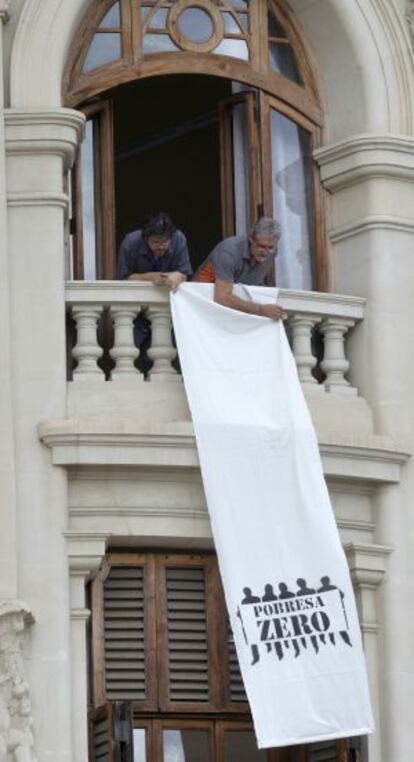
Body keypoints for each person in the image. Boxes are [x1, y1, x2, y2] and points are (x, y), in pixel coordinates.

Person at [117, 212, 192, 372]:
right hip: (134, 310)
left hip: (165, 310)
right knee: (130, 351)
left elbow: (185, 273)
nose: (160, 246)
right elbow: (123, 279)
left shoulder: (179, 239)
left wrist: (177, 276)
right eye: (155, 242)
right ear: (145, 238)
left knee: (162, 352)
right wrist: (149, 277)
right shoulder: (131, 242)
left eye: (164, 242)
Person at [193, 217, 286, 320]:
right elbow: (222, 297)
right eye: (262, 246)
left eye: (270, 247)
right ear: (251, 239)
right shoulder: (228, 252)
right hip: (203, 304)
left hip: (237, 310)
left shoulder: (272, 252)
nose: (265, 252)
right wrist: (260, 310)